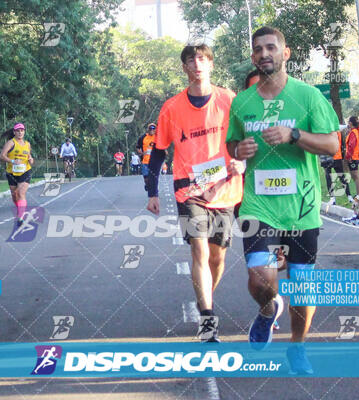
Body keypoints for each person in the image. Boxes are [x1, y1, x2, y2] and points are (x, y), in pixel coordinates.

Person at [226, 26, 339, 374]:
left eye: (271, 48)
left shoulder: (308, 97)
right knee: (262, 278)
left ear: (285, 53)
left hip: (301, 207)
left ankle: (297, 348)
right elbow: (231, 144)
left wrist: (294, 135)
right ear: (252, 56)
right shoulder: (241, 103)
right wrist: (238, 149)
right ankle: (266, 309)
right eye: (258, 49)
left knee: (303, 287)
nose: (264, 54)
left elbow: (333, 145)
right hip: (259, 205)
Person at [146, 43, 243, 343]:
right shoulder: (172, 108)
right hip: (188, 189)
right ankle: (207, 317)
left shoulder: (229, 100)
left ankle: (206, 296)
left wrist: (243, 160)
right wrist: (152, 191)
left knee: (217, 257)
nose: (197, 64)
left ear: (211, 64)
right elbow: (159, 152)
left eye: (202, 59)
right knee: (199, 250)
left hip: (226, 189)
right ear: (185, 67)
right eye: (191, 60)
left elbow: (246, 139)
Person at [0, 123, 34, 226]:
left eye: (22, 130)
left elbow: (29, 157)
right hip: (12, 172)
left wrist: (31, 159)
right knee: (15, 196)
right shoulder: (10, 143)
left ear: (24, 132)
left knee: (20, 193)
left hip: (25, 171)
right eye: (18, 131)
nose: (20, 133)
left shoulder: (27, 144)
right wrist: (12, 161)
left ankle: (20, 217)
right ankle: (21, 210)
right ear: (14, 132)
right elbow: (2, 156)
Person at [345, 116, 359, 196]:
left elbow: (351, 145)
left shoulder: (353, 132)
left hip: (353, 157)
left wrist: (348, 157)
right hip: (354, 157)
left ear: (351, 123)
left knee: (356, 176)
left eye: (348, 122)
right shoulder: (354, 131)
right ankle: (358, 194)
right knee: (355, 176)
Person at [136, 123, 156, 191]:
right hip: (145, 161)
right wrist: (141, 153)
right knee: (146, 178)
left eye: (153, 129)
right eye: (150, 129)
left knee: (153, 177)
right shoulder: (142, 138)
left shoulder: (157, 137)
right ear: (148, 129)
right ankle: (147, 185)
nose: (152, 130)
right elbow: (138, 147)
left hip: (154, 161)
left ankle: (153, 189)